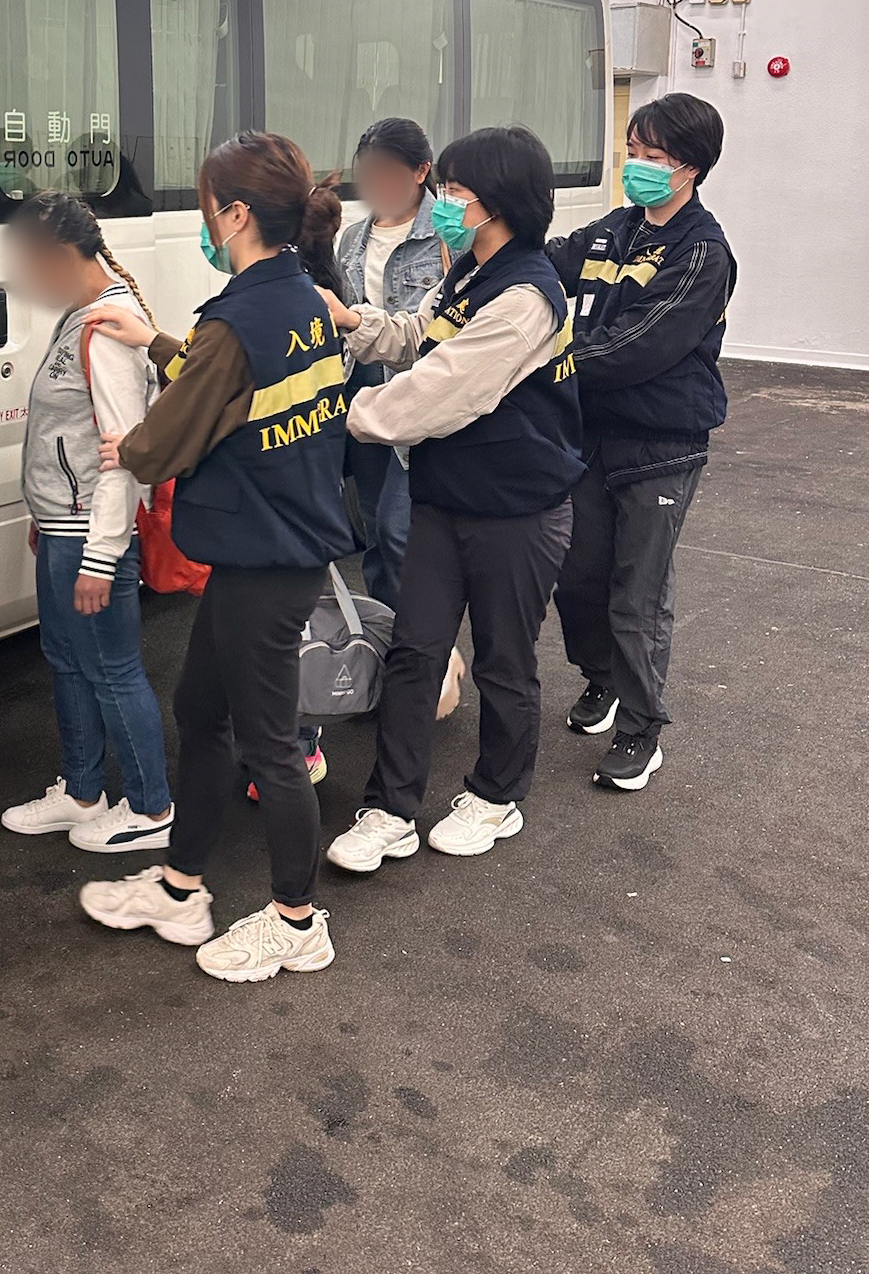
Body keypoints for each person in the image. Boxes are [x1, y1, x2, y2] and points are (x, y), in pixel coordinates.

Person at [78, 132, 353, 985]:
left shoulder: (240, 317)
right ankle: (180, 885)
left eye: (206, 205)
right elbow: (228, 384)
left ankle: (296, 920)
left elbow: (165, 437)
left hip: (267, 559)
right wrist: (158, 341)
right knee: (202, 711)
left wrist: (126, 446)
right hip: (269, 545)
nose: (204, 219)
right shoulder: (300, 297)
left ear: (234, 215)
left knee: (271, 745)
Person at [320, 126, 583, 873]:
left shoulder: (528, 293)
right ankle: (391, 806)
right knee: (415, 651)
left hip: (518, 511)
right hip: (444, 497)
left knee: (504, 659)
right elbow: (420, 337)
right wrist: (355, 323)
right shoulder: (468, 268)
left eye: (457, 190)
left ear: (497, 201)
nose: (445, 202)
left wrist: (335, 424)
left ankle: (497, 794)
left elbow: (443, 390)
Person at [549, 94, 734, 792]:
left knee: (638, 593)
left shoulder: (703, 252)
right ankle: (603, 681)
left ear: (689, 166)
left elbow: (639, 347)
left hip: (661, 443)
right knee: (578, 577)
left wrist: (546, 360)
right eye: (634, 151)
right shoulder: (615, 229)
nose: (639, 167)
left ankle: (641, 727)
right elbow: (548, 265)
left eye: (653, 157)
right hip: (591, 434)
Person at [0, 191, 173, 855]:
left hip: (89, 534)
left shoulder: (105, 330)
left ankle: (152, 806)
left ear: (63, 256)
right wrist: (45, 514)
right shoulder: (80, 318)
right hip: (63, 525)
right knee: (68, 662)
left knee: (112, 668)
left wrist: (101, 554)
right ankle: (81, 790)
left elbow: (124, 452)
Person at [334, 118, 448, 610]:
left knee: (400, 528)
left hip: (415, 394)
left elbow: (429, 329)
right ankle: (386, 630)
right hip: (362, 393)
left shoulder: (444, 234)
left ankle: (420, 639)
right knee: (376, 525)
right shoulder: (352, 240)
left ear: (421, 171)